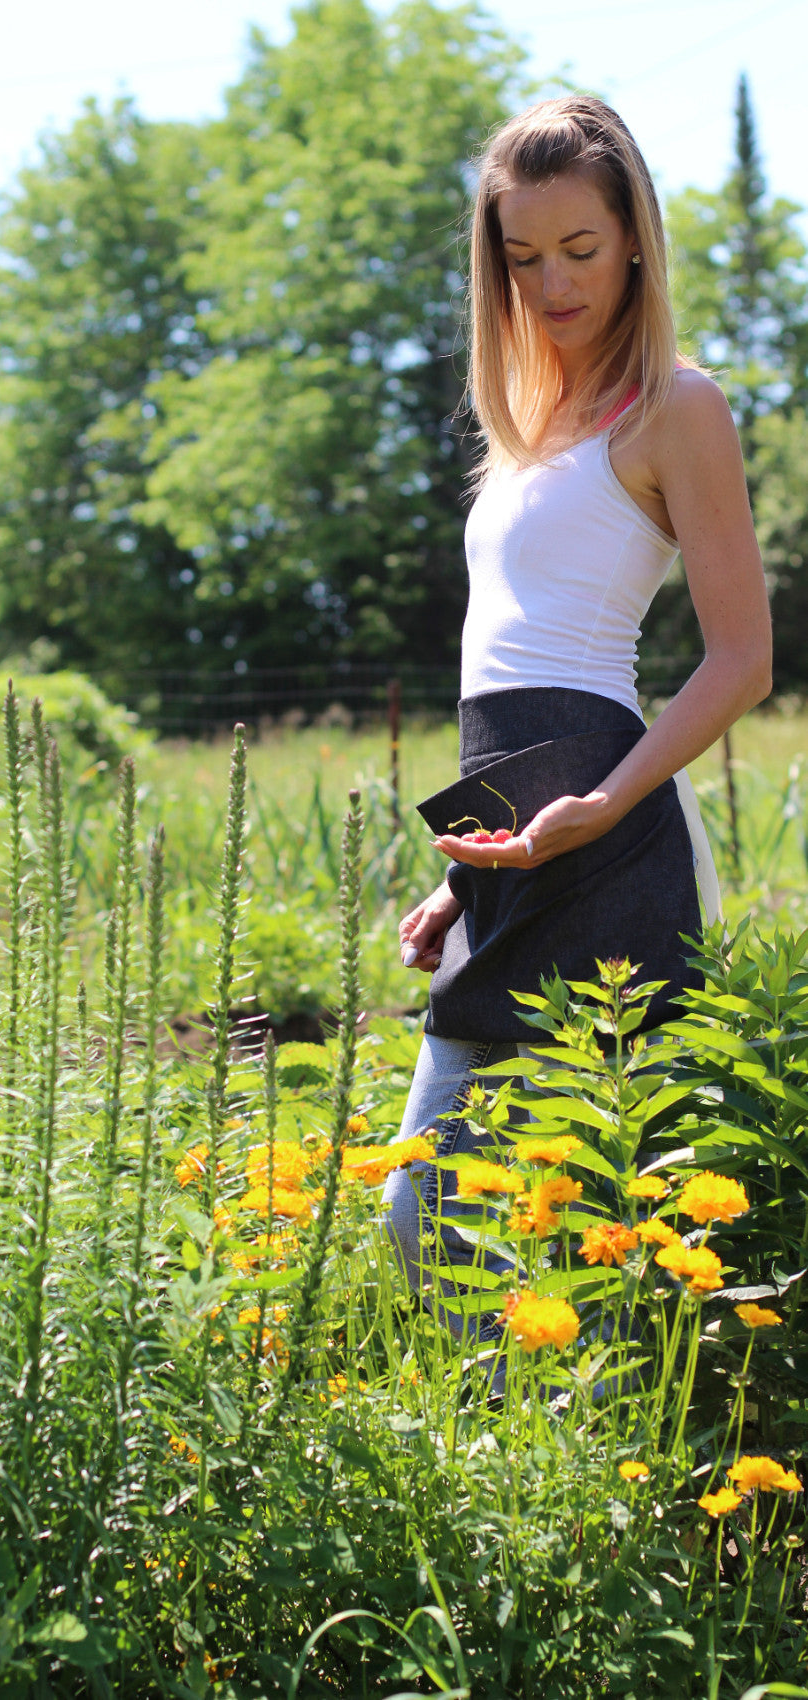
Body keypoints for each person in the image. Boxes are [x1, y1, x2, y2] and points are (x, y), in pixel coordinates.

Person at [382, 94, 772, 1346]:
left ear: (636, 240)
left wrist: (608, 801)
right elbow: (504, 662)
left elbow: (742, 658)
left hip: (609, 831)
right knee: (423, 1205)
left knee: (605, 1219)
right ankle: (524, 1472)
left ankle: (615, 1471)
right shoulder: (523, 427)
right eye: (521, 255)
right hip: (512, 835)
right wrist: (461, 879)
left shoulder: (677, 407)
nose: (551, 282)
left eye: (580, 250)